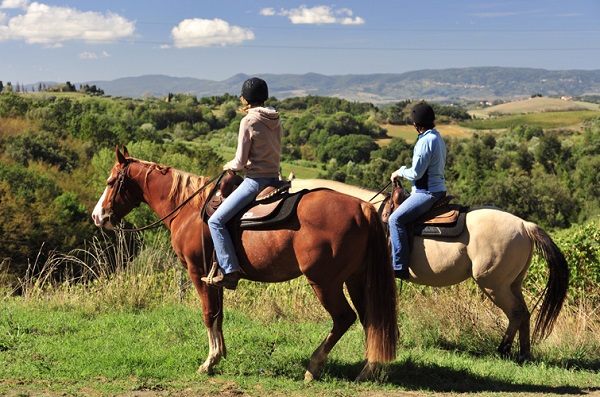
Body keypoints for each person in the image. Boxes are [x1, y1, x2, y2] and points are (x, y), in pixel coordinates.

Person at [201, 77, 282, 290]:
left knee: (216, 221)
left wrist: (230, 166)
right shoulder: (275, 118)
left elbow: (239, 161)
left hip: (255, 181)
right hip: (275, 178)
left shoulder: (248, 121)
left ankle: (229, 270)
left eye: (241, 95)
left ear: (246, 98)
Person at [389, 102, 447, 280]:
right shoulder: (437, 136)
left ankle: (399, 266)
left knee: (395, 219)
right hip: (437, 189)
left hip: (426, 192)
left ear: (415, 124)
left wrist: (400, 171)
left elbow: (416, 172)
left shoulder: (425, 141)